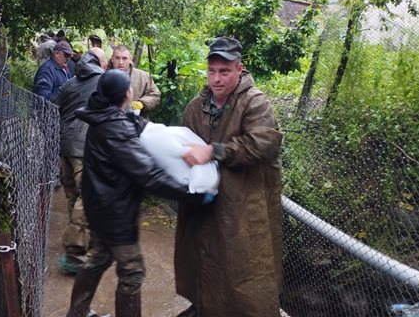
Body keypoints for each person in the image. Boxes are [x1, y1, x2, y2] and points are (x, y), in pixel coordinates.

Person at [65, 70, 211, 317]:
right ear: (126, 94)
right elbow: (148, 174)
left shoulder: (102, 117)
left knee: (98, 257)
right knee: (131, 271)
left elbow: (134, 131)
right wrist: (191, 193)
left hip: (99, 207)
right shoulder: (116, 127)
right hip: (116, 213)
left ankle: (77, 313)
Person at [174, 37, 284, 317]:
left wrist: (214, 151)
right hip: (203, 200)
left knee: (242, 266)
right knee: (201, 256)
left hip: (242, 203)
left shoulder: (254, 102)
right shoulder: (195, 107)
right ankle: (203, 307)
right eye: (212, 71)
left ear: (239, 69)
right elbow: (185, 145)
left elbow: (264, 144)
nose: (217, 79)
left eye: (224, 72)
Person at [54, 48, 108, 274]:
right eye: (106, 61)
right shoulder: (103, 82)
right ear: (100, 62)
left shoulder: (69, 82)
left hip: (64, 147)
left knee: (72, 195)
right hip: (85, 148)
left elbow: (56, 107)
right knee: (87, 197)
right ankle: (74, 253)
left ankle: (79, 240)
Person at [110, 45, 161, 115]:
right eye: (117, 58)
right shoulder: (103, 77)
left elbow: (155, 95)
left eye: (124, 58)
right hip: (109, 121)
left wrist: (142, 103)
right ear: (112, 59)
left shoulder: (143, 77)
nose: (120, 62)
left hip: (136, 122)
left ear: (130, 59)